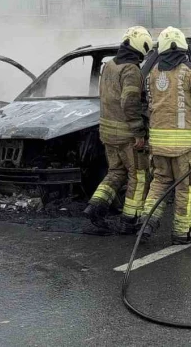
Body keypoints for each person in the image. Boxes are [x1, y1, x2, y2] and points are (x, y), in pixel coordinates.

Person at [140, 27, 191, 245]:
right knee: (187, 187)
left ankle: (146, 222)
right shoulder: (189, 71)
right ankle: (183, 232)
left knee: (159, 183)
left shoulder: (152, 73)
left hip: (158, 145)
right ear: (182, 47)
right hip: (185, 147)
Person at [84, 26, 153, 234]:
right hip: (126, 135)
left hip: (107, 131)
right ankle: (130, 220)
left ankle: (95, 207)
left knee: (115, 172)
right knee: (139, 175)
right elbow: (129, 103)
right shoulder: (131, 70)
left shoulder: (110, 65)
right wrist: (139, 133)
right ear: (141, 47)